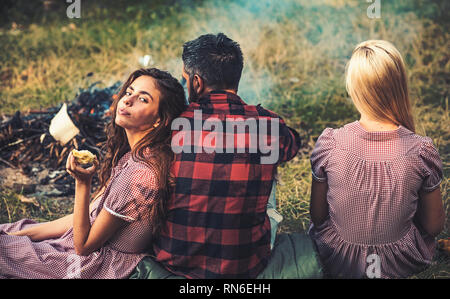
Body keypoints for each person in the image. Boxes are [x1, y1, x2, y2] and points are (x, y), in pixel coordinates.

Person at [0, 68, 187, 279]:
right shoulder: (137, 157)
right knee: (12, 232)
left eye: (143, 99)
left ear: (160, 120)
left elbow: (84, 246)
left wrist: (83, 183)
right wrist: (21, 234)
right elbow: (88, 215)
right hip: (83, 253)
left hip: (93, 267)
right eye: (129, 92)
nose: (127, 100)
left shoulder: (140, 174)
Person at [153, 33, 301, 279]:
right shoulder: (267, 124)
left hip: (175, 260)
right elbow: (293, 144)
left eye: (185, 78)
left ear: (197, 82)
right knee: (265, 161)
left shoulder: (172, 123)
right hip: (245, 265)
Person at [308, 40, 445, 278]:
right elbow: (433, 226)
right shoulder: (421, 150)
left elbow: (318, 216)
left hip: (338, 259)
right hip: (400, 262)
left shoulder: (330, 143)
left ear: (353, 89)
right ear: (400, 86)